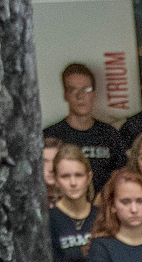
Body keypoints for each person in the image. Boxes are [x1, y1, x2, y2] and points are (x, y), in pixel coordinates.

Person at [45, 60, 121, 190]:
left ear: (94, 94)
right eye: (73, 90)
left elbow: (122, 174)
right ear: (65, 95)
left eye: (86, 89)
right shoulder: (51, 136)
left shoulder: (110, 135)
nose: (80, 96)